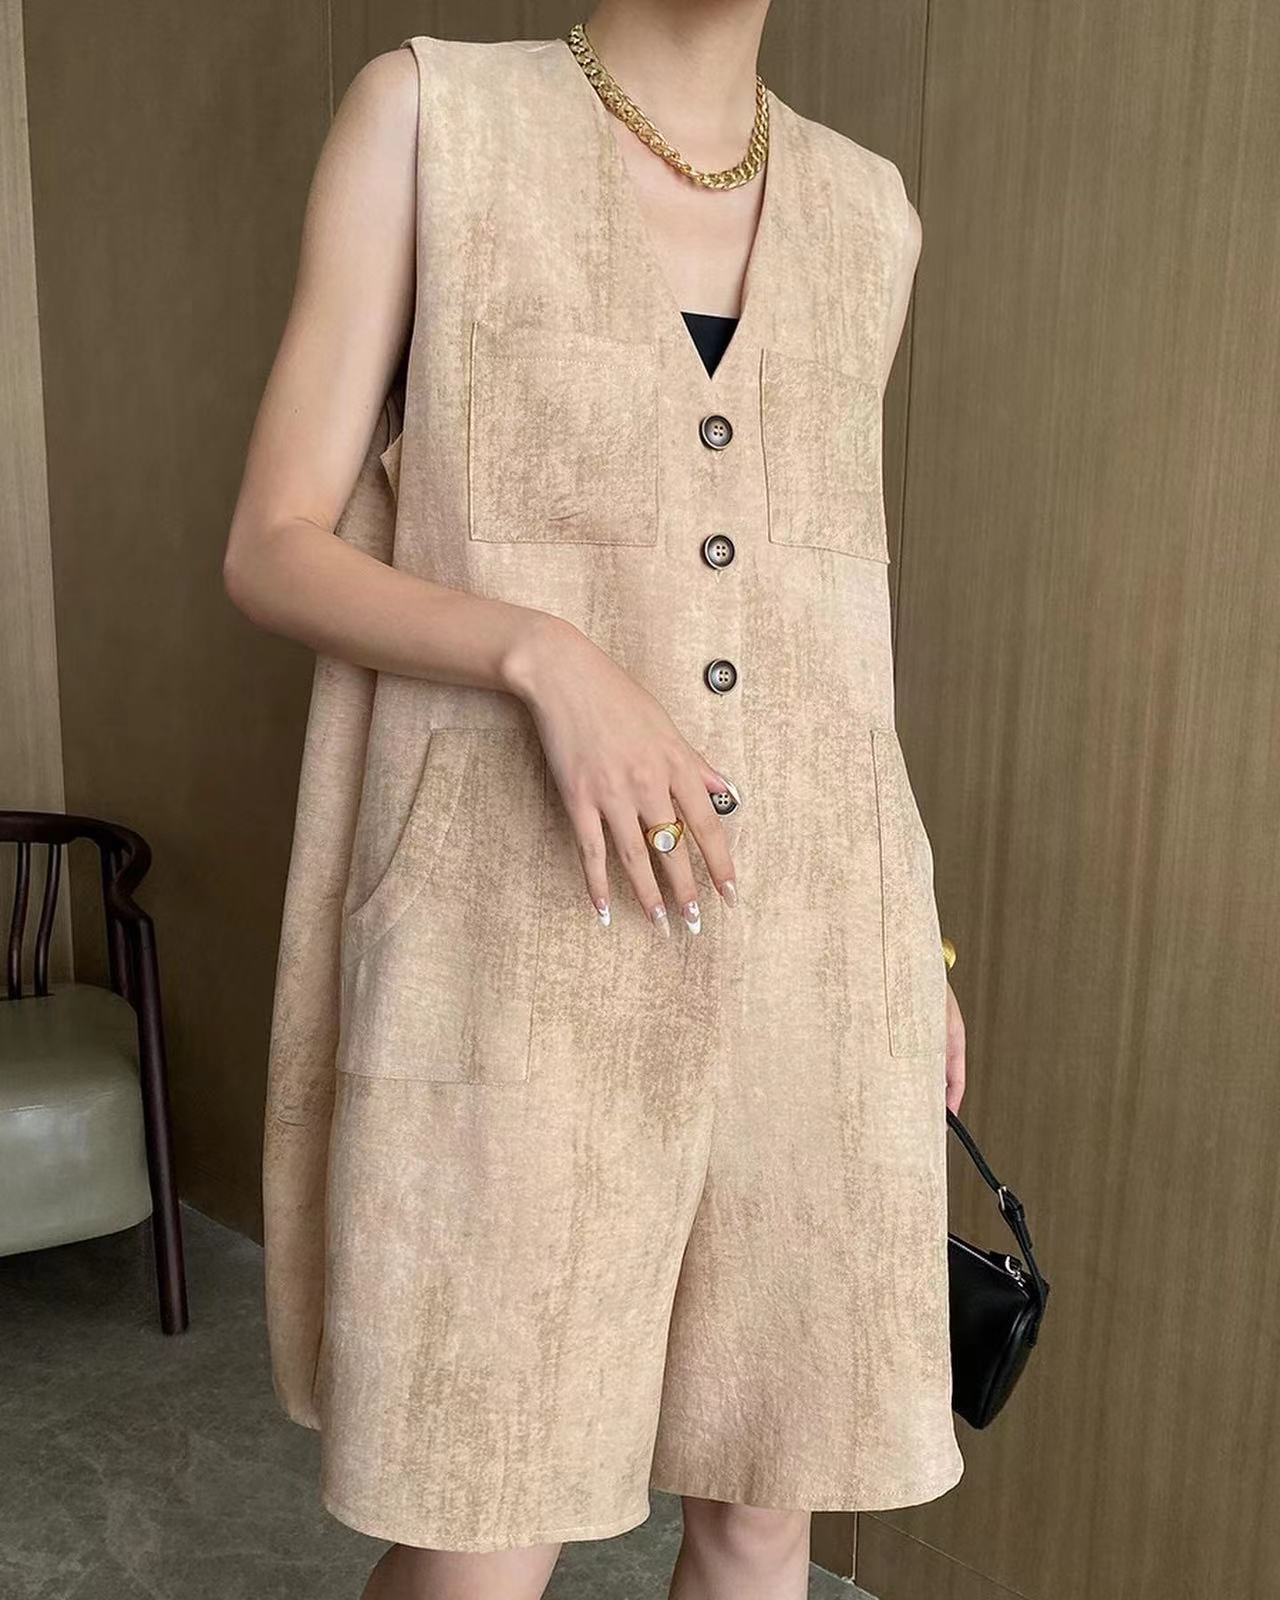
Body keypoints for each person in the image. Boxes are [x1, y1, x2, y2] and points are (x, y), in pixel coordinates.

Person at [222, 3, 968, 1596]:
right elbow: (273, 544)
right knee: (490, 1521)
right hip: (512, 939)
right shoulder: (432, 120)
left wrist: (921, 947)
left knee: (764, 1506)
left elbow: (834, 629)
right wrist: (543, 654)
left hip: (815, 951)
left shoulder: (870, 211)